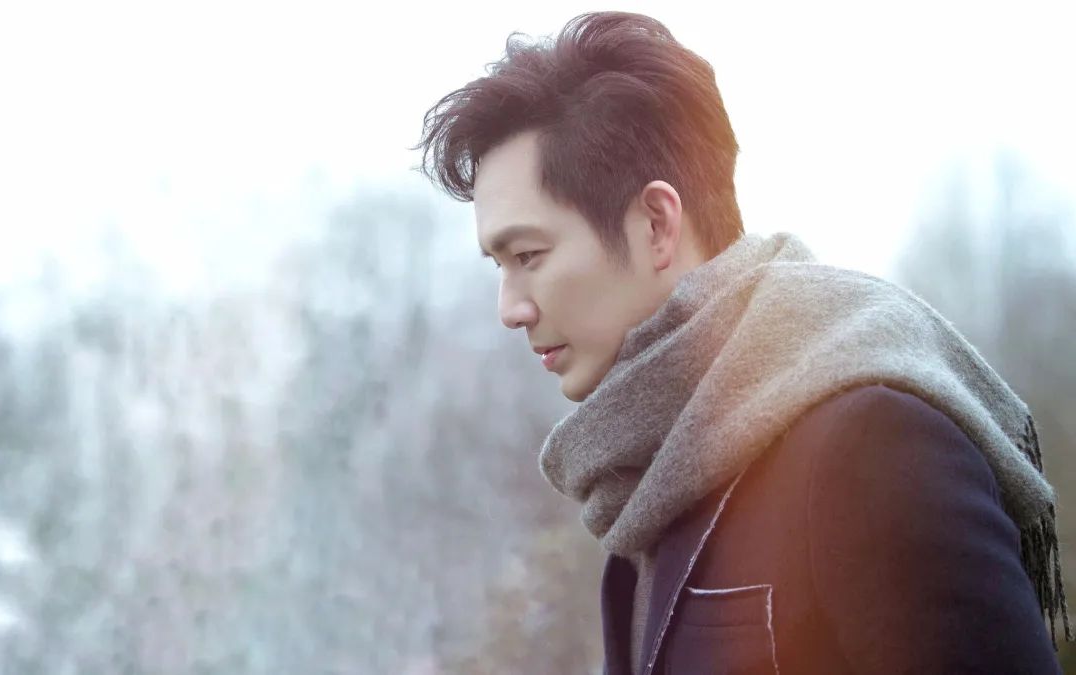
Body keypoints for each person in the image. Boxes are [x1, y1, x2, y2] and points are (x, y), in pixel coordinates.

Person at [413, 10, 1072, 674]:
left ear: (656, 224)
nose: (510, 309)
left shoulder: (870, 444)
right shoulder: (640, 486)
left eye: (528, 255)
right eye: (499, 266)